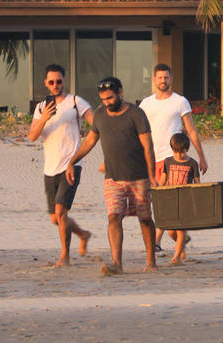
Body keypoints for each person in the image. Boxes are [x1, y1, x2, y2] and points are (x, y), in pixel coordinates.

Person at [67, 76, 157, 274]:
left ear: (120, 93)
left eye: (110, 98)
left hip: (139, 176)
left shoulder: (136, 114)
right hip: (112, 178)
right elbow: (90, 141)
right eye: (103, 99)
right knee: (114, 217)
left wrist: (152, 175)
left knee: (145, 218)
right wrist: (72, 161)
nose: (107, 102)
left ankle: (151, 260)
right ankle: (117, 263)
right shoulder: (99, 116)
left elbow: (148, 146)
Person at [27, 64, 93, 268]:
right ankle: (83, 234)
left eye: (59, 81)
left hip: (71, 165)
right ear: (46, 84)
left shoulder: (75, 102)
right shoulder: (40, 108)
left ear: (64, 81)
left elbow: (95, 123)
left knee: (61, 212)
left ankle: (65, 257)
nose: (56, 85)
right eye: (51, 82)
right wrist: (45, 118)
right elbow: (32, 136)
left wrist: (82, 151)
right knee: (55, 218)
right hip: (50, 168)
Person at [139, 63, 208, 251]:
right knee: (154, 201)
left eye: (166, 77)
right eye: (160, 77)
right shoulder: (146, 103)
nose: (163, 80)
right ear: (154, 80)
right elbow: (139, 132)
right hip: (151, 159)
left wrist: (201, 156)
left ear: (171, 79)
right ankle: (177, 236)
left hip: (173, 158)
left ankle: (156, 242)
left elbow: (191, 130)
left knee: (167, 201)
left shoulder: (180, 101)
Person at [161, 131, 199, 264]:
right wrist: (160, 193)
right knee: (171, 231)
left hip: (186, 201)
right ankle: (181, 246)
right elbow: (163, 180)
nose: (179, 155)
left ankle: (176, 257)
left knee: (181, 229)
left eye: (182, 152)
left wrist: (196, 200)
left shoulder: (193, 163)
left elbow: (197, 183)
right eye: (176, 152)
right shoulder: (168, 162)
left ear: (187, 149)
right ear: (172, 150)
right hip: (171, 200)